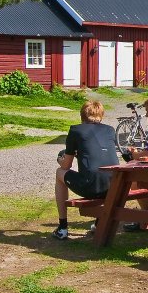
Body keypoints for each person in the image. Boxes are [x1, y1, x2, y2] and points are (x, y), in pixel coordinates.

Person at [54, 100, 121, 240]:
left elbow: (66, 166)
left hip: (91, 187)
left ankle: (63, 226)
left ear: (82, 115)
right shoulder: (110, 130)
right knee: (101, 174)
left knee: (59, 172)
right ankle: (98, 223)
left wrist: (60, 159)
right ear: (101, 115)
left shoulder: (75, 130)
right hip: (113, 187)